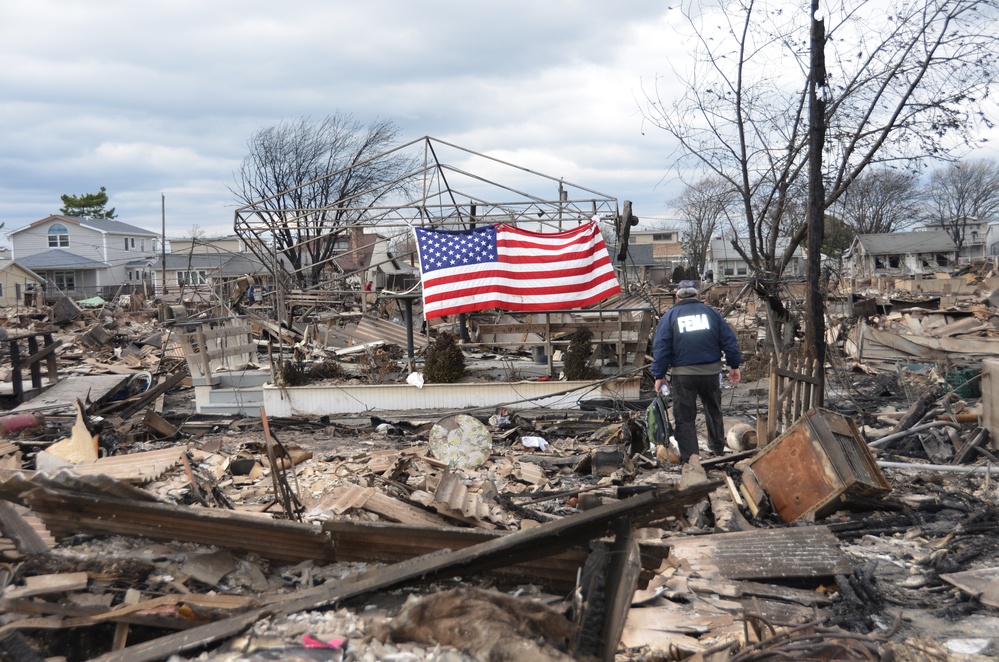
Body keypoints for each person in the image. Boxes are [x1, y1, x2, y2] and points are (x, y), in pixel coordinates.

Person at [651, 280, 742, 463]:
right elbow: (729, 341)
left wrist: (659, 376)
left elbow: (661, 348)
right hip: (710, 374)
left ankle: (691, 458)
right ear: (697, 295)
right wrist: (734, 365)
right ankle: (717, 449)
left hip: (683, 376)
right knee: (713, 410)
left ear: (677, 297)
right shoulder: (711, 314)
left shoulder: (670, 316)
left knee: (684, 417)